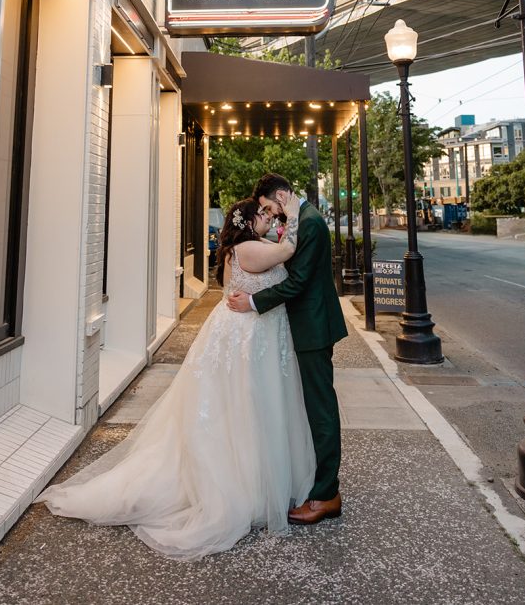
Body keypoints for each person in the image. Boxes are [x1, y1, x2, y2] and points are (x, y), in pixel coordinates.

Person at [35, 196, 315, 559]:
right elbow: (289, 250)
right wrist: (293, 214)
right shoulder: (247, 248)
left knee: (253, 408)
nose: (268, 217)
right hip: (245, 337)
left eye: (268, 212)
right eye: (262, 214)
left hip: (255, 335)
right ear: (247, 223)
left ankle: (263, 481)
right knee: (242, 409)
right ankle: (242, 487)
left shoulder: (255, 244)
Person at [228, 173, 348, 525]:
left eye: (268, 206)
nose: (269, 214)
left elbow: (297, 283)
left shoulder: (309, 224)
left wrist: (252, 301)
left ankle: (327, 495)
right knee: (311, 408)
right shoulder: (301, 219)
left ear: (282, 195)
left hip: (313, 327)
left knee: (321, 409)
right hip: (304, 325)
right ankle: (318, 485)